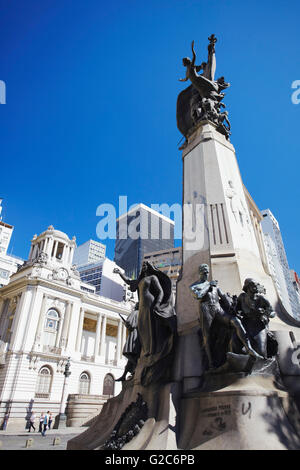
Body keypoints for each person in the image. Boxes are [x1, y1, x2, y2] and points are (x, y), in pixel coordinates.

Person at [114, 262, 177, 386]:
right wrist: (120, 273)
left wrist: (158, 304)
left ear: (150, 268)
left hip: (150, 305)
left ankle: (152, 350)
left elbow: (160, 292)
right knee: (143, 329)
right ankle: (147, 350)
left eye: (145, 266)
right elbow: (128, 281)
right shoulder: (139, 281)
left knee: (150, 327)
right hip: (142, 307)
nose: (143, 268)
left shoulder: (153, 278)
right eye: (142, 267)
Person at [190, 264, 263, 369]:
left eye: (207, 272)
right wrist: (208, 285)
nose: (206, 274)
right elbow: (198, 295)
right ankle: (211, 363)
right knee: (207, 337)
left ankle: (249, 348)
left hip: (218, 309)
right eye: (204, 272)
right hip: (206, 311)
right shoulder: (195, 285)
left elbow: (224, 297)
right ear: (200, 273)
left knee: (236, 321)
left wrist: (234, 308)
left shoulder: (215, 286)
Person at [116, 302, 141, 382]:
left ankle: (137, 366)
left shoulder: (135, 313)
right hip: (138, 334)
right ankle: (124, 375)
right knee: (132, 355)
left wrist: (127, 323)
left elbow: (130, 323)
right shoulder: (142, 313)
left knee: (128, 352)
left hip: (134, 334)